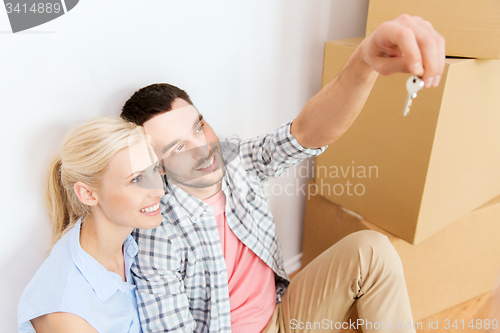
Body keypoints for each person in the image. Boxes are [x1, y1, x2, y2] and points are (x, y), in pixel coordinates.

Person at [120, 15, 445, 333]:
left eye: (199, 127)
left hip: (283, 310)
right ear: (157, 165)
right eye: (177, 148)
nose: (203, 149)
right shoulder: (157, 233)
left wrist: (366, 59)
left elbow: (307, 133)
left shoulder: (235, 163)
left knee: (372, 250)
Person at [18, 117, 165, 332]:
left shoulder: (133, 243)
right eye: (136, 179)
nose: (160, 190)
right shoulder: (68, 311)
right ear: (87, 194)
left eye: (154, 170)